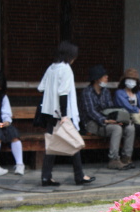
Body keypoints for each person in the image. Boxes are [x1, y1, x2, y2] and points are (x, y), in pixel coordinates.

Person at [37, 41, 95, 186]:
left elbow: (41, 87)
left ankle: (46, 176)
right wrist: (64, 114)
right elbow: (63, 93)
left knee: (52, 144)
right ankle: (79, 175)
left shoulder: (51, 68)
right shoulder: (66, 69)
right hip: (62, 112)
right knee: (72, 140)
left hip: (49, 111)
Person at [81, 64, 136, 170]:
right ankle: (114, 159)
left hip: (107, 120)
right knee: (116, 128)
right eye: (104, 76)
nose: (107, 78)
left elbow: (110, 108)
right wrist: (105, 120)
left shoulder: (105, 91)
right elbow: (90, 112)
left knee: (130, 127)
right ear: (97, 79)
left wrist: (115, 119)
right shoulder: (87, 92)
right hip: (92, 123)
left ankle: (126, 157)